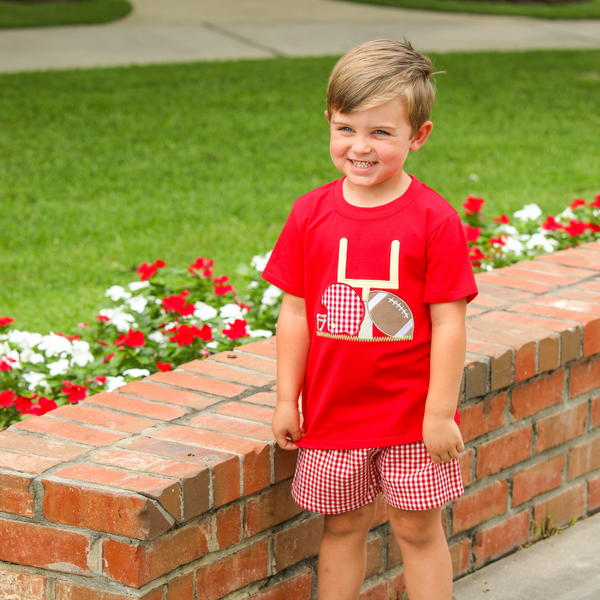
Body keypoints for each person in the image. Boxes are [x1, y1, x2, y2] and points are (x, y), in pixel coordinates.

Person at [262, 39, 478, 600]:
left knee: (417, 529)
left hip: (413, 420)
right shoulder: (310, 213)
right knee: (342, 526)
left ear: (418, 136)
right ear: (329, 123)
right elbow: (296, 312)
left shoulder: (434, 219)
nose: (360, 146)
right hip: (334, 416)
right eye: (346, 129)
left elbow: (450, 324)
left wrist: (439, 413)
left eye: (381, 132)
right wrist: (288, 399)